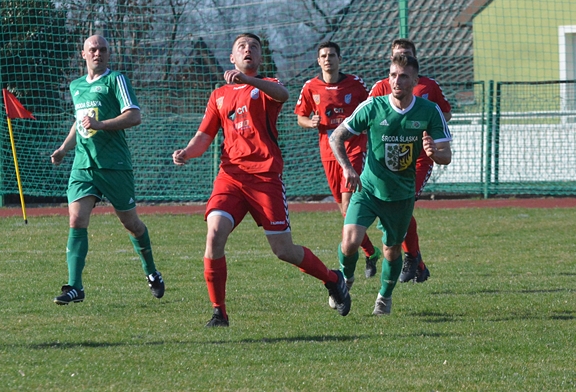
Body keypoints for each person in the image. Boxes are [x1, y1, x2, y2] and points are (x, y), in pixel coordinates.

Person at [173, 33, 351, 326]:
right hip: (230, 178)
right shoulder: (218, 95)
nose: (248, 50)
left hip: (265, 178)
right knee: (214, 234)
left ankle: (333, 279)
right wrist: (187, 153)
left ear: (259, 58)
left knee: (284, 250)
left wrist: (248, 81)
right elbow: (204, 137)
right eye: (242, 47)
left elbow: (282, 96)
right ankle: (219, 312)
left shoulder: (268, 86)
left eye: (254, 47)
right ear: (232, 58)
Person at [330, 53, 451, 315]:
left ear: (415, 81)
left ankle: (384, 297)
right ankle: (344, 279)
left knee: (392, 250)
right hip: (368, 189)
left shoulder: (429, 111)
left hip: (401, 195)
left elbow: (446, 155)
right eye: (393, 75)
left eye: (404, 76)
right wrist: (348, 168)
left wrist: (433, 153)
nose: (397, 81)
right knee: (350, 240)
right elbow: (336, 137)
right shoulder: (372, 107)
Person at [50, 34, 164, 305]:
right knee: (77, 220)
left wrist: (101, 125)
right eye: (93, 49)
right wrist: (64, 149)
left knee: (131, 224)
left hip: (114, 165)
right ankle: (75, 287)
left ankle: (151, 271)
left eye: (102, 49)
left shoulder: (116, 80)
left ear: (108, 54)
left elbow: (134, 116)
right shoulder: (76, 86)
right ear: (83, 54)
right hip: (83, 165)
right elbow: (80, 123)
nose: (97, 53)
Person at [294, 41, 382, 279]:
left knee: (347, 206)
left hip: (353, 148)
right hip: (328, 151)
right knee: (342, 208)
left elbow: (372, 106)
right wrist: (309, 122)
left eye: (331, 55)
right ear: (318, 60)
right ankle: (371, 252)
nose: (327, 59)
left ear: (339, 58)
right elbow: (300, 116)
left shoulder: (355, 84)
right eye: (323, 55)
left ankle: (358, 256)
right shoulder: (310, 87)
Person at [368, 38, 452, 283]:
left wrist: (433, 133)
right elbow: (367, 115)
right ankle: (417, 261)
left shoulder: (428, 85)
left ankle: (411, 258)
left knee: (401, 207)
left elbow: (444, 111)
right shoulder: (382, 86)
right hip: (389, 162)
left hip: (419, 159)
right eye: (398, 54)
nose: (402, 57)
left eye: (407, 54)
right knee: (394, 211)